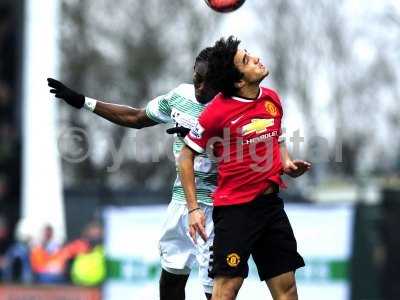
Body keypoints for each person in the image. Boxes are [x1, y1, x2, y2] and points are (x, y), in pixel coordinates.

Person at [47, 47, 218, 299]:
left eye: (209, 82)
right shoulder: (180, 96)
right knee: (170, 282)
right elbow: (136, 116)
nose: (201, 88)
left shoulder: (230, 106)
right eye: (197, 79)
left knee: (215, 292)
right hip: (181, 203)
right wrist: (84, 102)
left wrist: (199, 138)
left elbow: (242, 151)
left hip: (215, 208)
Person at [178, 36, 311, 300]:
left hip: (271, 207)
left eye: (249, 53)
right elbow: (185, 156)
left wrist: (285, 161)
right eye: (246, 60)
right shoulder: (215, 113)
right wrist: (193, 209)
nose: (256, 58)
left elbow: (276, 133)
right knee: (226, 290)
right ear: (238, 81)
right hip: (235, 212)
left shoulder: (272, 99)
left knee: (287, 289)